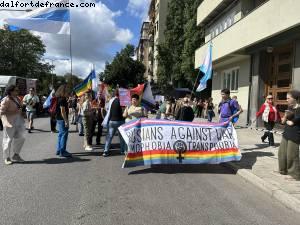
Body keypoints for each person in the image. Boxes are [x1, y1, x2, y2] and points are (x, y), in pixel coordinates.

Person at [0, 85, 26, 165]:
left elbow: (19, 109)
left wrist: (22, 113)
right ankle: (6, 157)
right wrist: (14, 112)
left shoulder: (17, 98)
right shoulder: (6, 100)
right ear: (10, 91)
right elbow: (1, 112)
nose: (17, 91)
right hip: (9, 123)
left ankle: (16, 155)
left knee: (21, 138)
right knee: (8, 140)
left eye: (17, 90)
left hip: (18, 122)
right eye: (16, 90)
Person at [278, 90, 300, 179]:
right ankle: (283, 170)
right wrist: (286, 116)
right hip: (286, 134)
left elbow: (292, 123)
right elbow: (283, 122)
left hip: (295, 135)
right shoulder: (289, 108)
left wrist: (289, 120)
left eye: (288, 98)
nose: (286, 100)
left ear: (294, 99)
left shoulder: (299, 110)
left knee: (292, 155)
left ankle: (295, 174)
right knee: (282, 153)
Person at [102, 90, 126, 157]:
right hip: (120, 121)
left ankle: (105, 151)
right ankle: (122, 150)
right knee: (121, 137)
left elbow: (107, 109)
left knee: (109, 137)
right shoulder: (123, 101)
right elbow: (124, 112)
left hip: (112, 121)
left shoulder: (111, 100)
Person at [55, 85, 72, 157]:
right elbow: (63, 111)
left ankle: (59, 150)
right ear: (64, 91)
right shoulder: (62, 99)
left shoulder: (58, 98)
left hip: (58, 118)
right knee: (64, 135)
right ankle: (63, 151)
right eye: (67, 92)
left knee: (60, 134)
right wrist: (66, 121)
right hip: (62, 119)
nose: (68, 93)